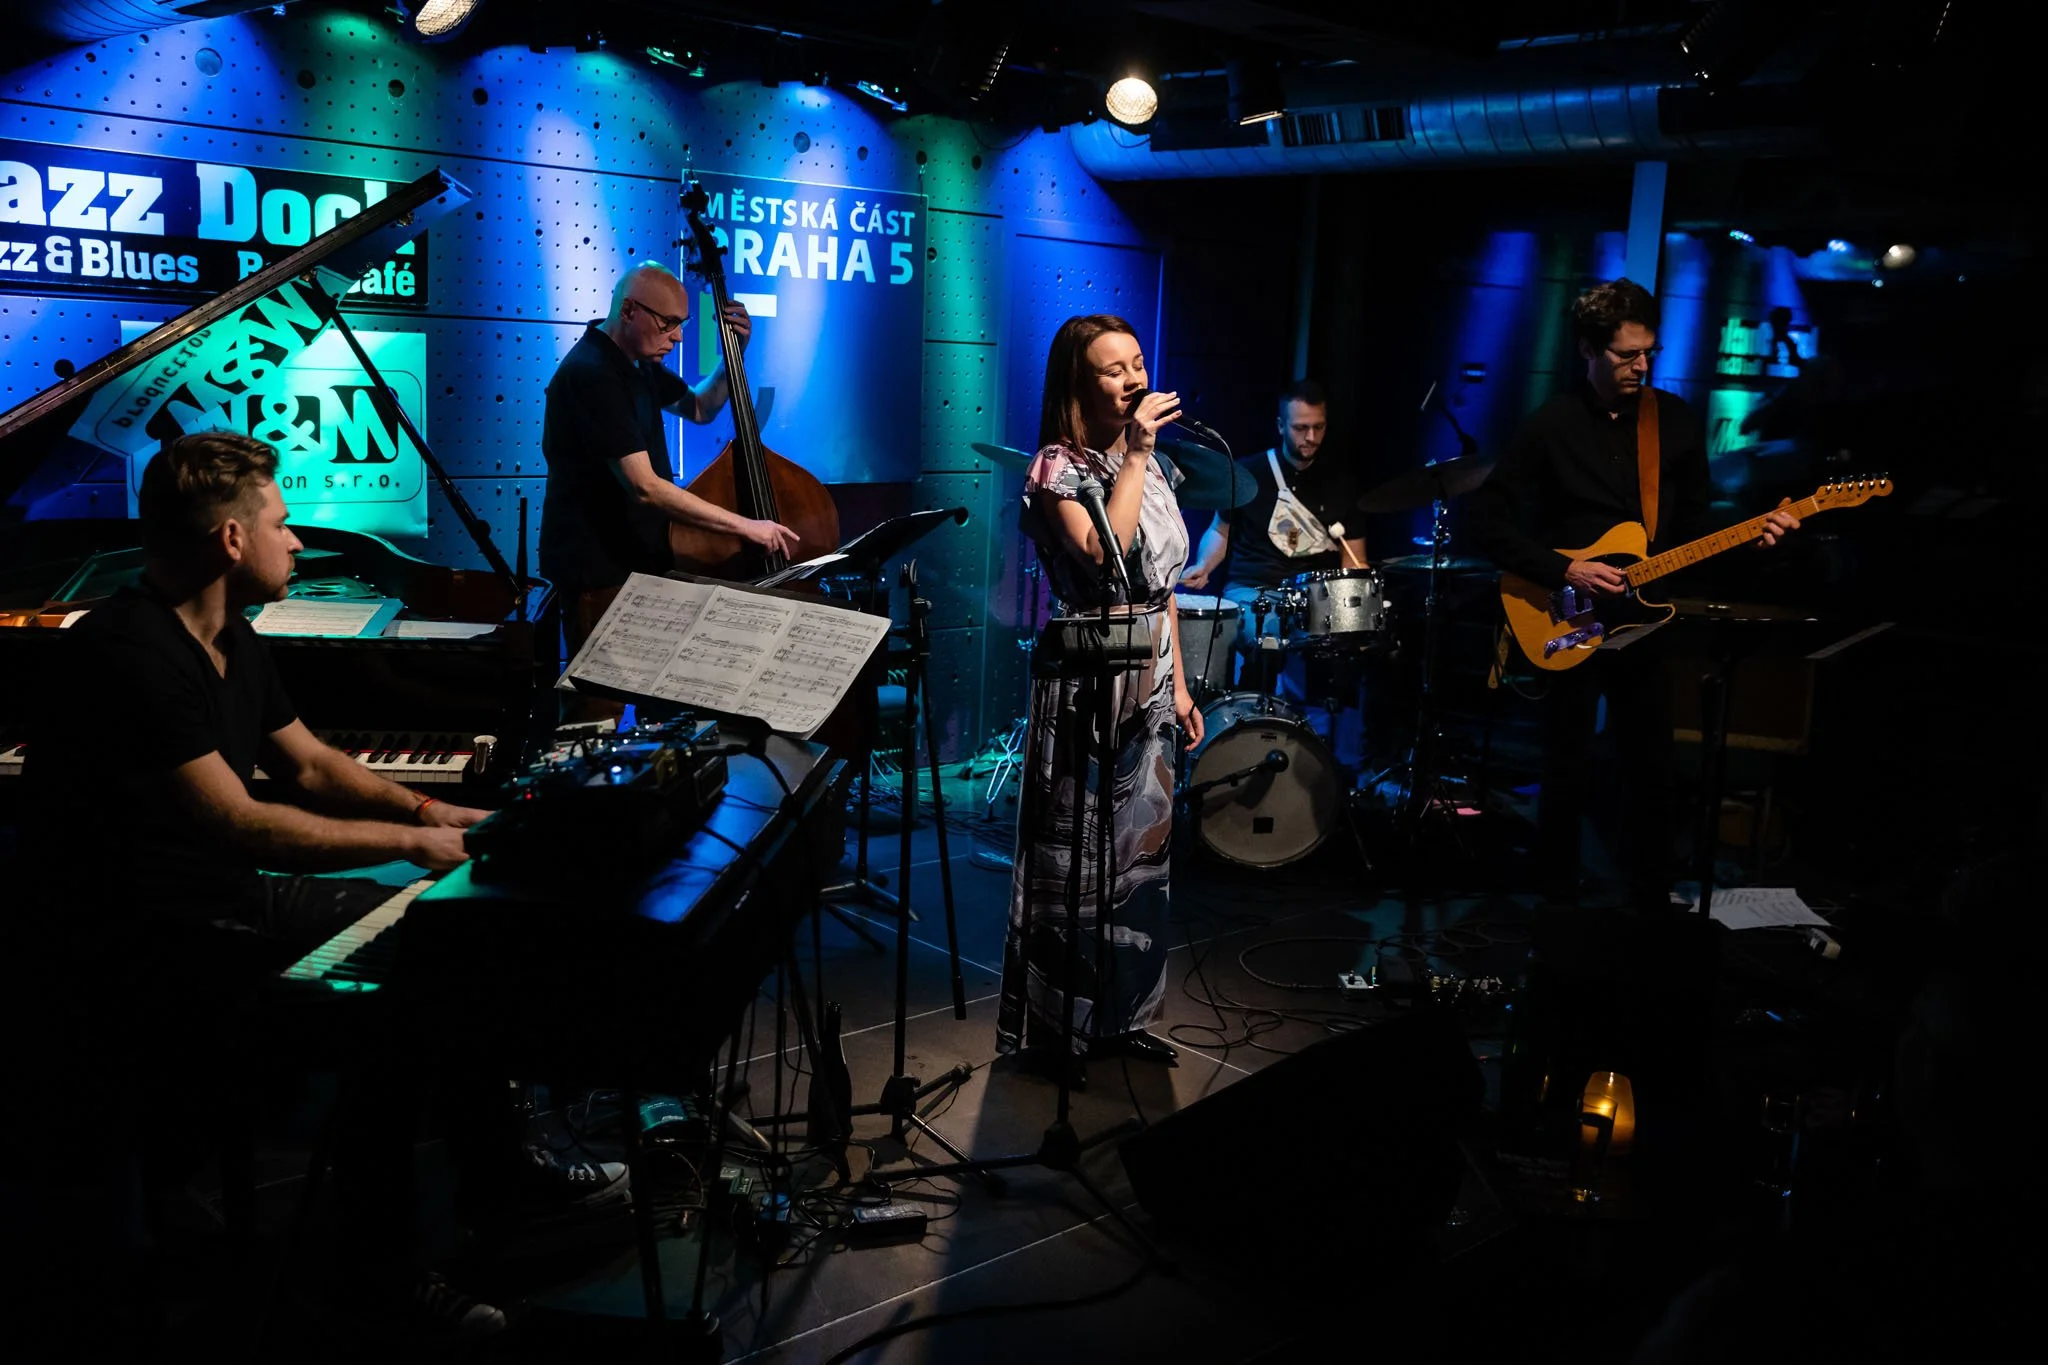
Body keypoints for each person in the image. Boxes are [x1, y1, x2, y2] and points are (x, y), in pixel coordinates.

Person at [9, 432, 620, 1342]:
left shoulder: (230, 636)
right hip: (149, 940)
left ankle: (497, 1175)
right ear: (229, 541)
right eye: (283, 523)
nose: (297, 542)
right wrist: (409, 843)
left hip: (220, 904)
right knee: (394, 999)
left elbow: (311, 767)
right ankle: (379, 1275)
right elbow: (239, 822)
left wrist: (430, 809)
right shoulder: (130, 652)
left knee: (445, 938)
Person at [1467, 278, 1800, 910]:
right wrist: (1564, 572)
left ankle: (1648, 903)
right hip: (1566, 614)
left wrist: (1753, 535)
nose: (1642, 366)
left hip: (1646, 618)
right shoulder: (1551, 424)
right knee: (1564, 768)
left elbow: (1698, 525)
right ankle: (1555, 905)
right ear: (1589, 350)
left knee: (1651, 765)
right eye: (1626, 354)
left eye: (1650, 352)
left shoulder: (1671, 421)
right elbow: (1485, 521)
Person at [996, 314, 1203, 1076]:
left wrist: (1179, 685)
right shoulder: (1059, 467)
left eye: (1137, 362)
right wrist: (1138, 455)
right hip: (1088, 677)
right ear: (1081, 384)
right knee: (1076, 860)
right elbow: (1108, 562)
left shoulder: (1157, 469)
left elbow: (1165, 587)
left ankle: (1125, 1017)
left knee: (1140, 859)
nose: (1131, 379)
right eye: (1113, 369)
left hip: (1148, 677)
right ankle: (1060, 1031)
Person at [539, 262, 801, 710]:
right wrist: (746, 526)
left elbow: (700, 407)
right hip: (597, 574)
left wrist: (732, 356)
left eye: (681, 325)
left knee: (657, 719)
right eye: (669, 324)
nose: (677, 337)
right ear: (628, 311)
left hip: (638, 565)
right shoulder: (593, 373)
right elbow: (644, 486)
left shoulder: (635, 363)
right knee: (596, 724)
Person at [1180, 380, 1368, 742]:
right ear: (1281, 425)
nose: (1310, 436)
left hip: (1315, 601)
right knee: (1261, 635)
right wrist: (1204, 565)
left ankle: (1324, 747)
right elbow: (1220, 532)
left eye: (1319, 427)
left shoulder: (1343, 483)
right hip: (1253, 589)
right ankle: (1249, 731)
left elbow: (1354, 559)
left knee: (1346, 652)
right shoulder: (1249, 473)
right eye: (1300, 427)